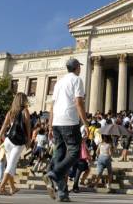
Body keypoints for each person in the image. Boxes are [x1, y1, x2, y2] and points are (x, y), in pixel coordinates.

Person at [43, 58, 89, 202]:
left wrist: (50, 125)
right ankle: (54, 174)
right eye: (79, 67)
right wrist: (86, 123)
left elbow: (52, 106)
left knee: (60, 155)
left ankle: (63, 193)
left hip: (56, 122)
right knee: (75, 153)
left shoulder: (59, 82)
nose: (80, 69)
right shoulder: (77, 80)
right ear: (76, 68)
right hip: (70, 121)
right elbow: (78, 102)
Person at [0, 92, 31, 195]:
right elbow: (28, 126)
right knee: (11, 165)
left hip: (8, 141)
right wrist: (28, 139)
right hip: (18, 142)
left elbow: (4, 126)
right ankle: (1, 188)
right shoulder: (25, 111)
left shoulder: (10, 112)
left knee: (10, 165)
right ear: (23, 100)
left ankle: (12, 188)